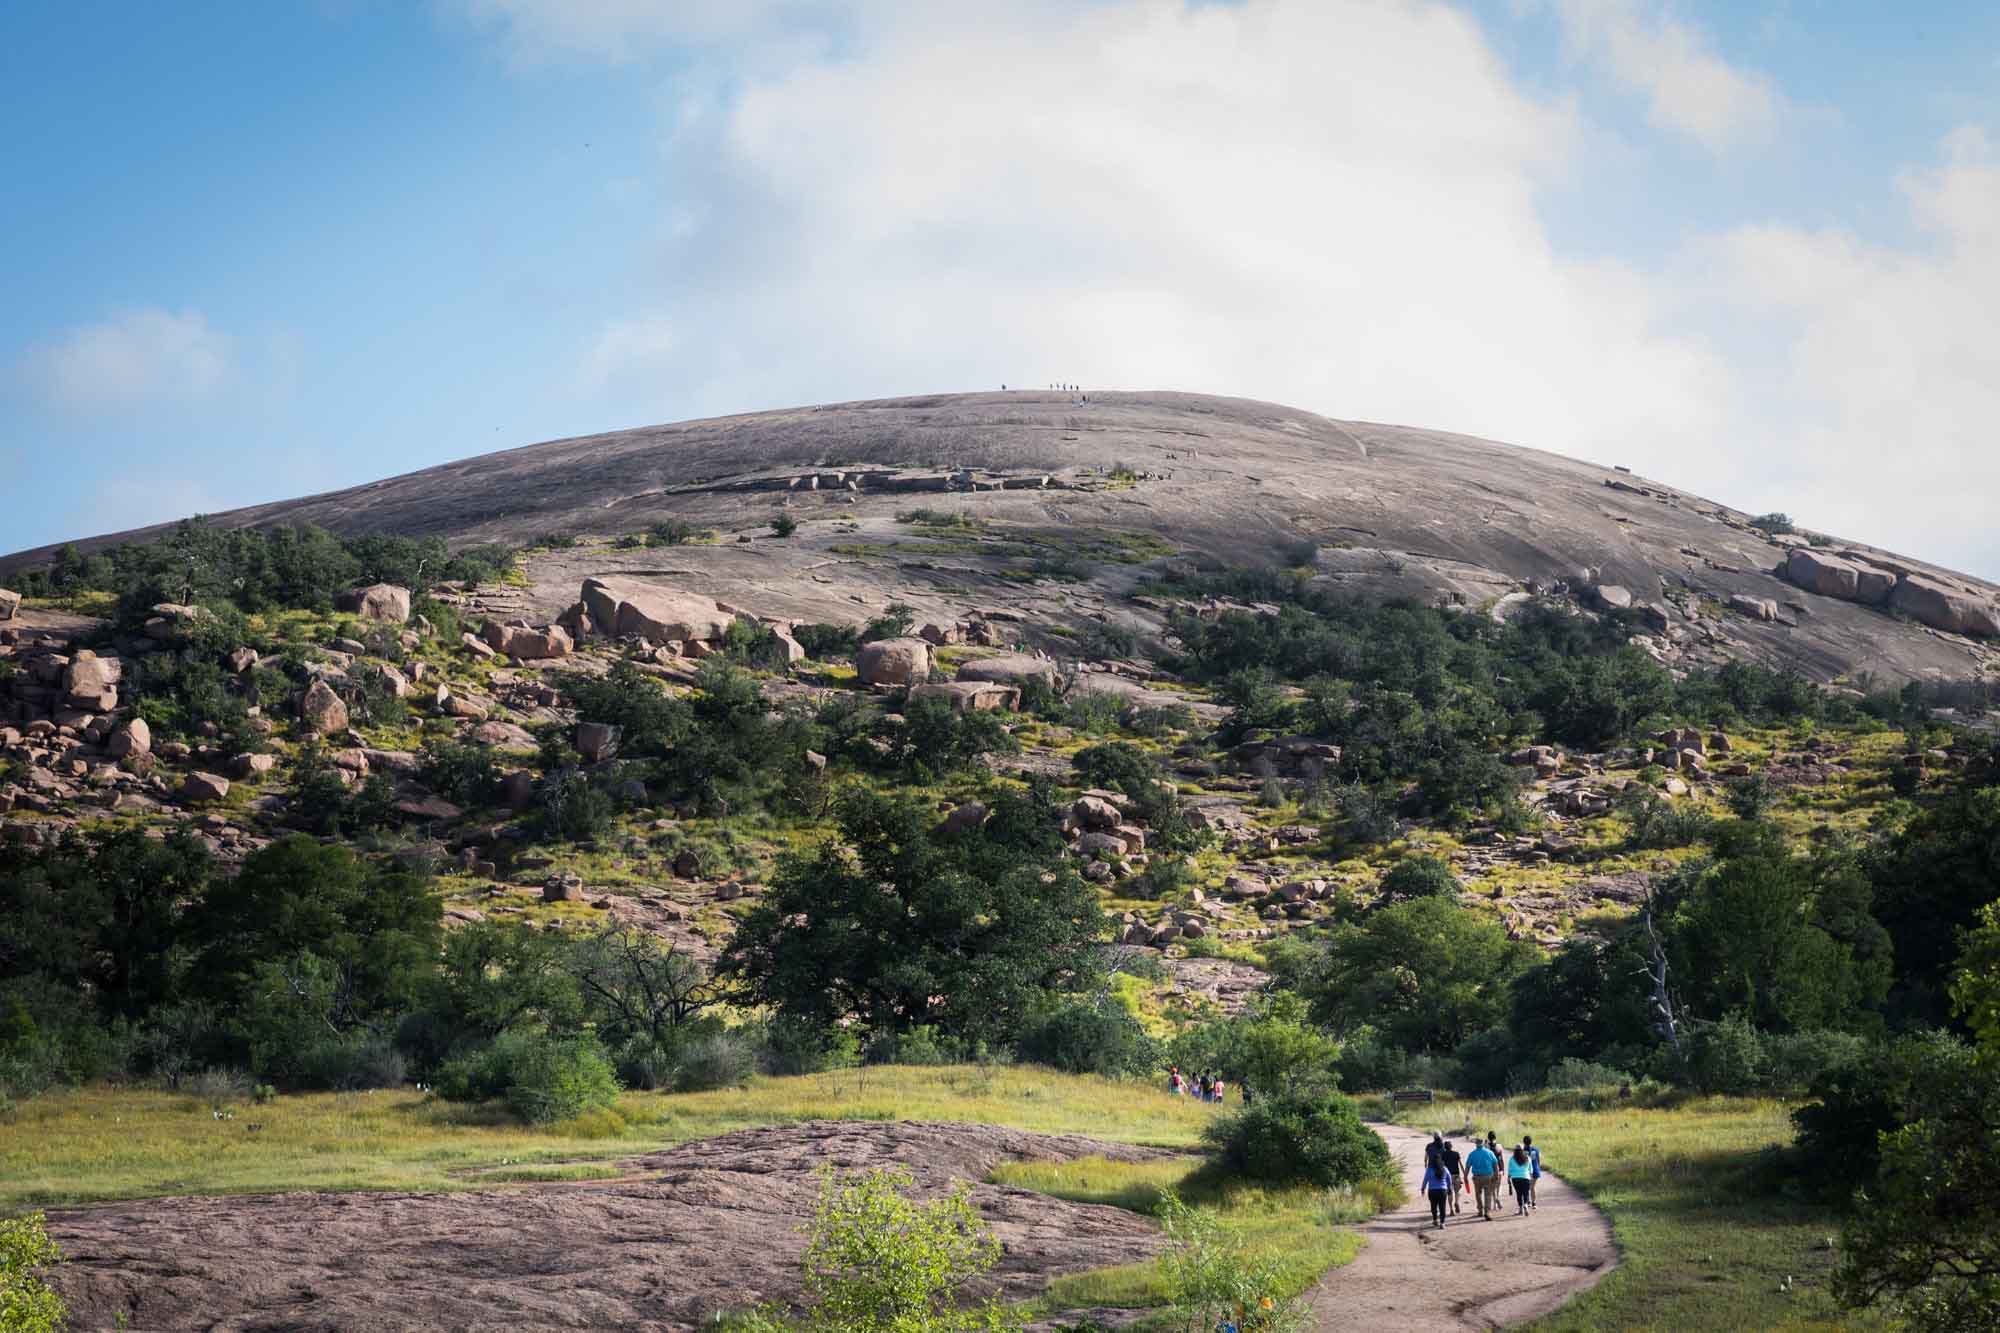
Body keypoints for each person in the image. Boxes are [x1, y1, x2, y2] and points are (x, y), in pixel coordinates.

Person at [1465, 1138, 1501, 1219]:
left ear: (1476, 1144)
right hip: (1488, 1176)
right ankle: (1487, 1212)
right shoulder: (1489, 1152)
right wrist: (1497, 1175)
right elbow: (1495, 1164)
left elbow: (1467, 1167)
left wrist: (1465, 1176)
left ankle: (1480, 1211)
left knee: (1478, 1194)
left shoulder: (1472, 1154)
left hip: (1477, 1177)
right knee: (1488, 1195)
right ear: (1483, 1143)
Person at [1421, 1154, 1453, 1230]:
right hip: (1443, 1190)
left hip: (1432, 1191)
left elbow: (1425, 1179)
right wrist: (1449, 1187)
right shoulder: (1444, 1168)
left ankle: (1435, 1220)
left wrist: (1423, 1188)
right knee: (1442, 1207)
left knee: (1433, 1206)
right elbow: (1449, 1178)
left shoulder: (1429, 1169)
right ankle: (1442, 1223)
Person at [1508, 1145, 1534, 1216]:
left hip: (1515, 1178)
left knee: (1519, 1193)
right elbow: (1531, 1170)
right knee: (1525, 1193)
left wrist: (1508, 1178)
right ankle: (1525, 1204)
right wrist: (1531, 1179)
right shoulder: (1527, 1158)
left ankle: (1520, 1209)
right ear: (1522, 1150)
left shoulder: (1512, 1159)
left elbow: (1510, 1170)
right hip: (1526, 1178)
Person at [1441, 1139, 1464, 1216]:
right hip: (1456, 1175)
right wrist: (1464, 1174)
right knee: (1457, 1191)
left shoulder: (1443, 1155)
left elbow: (1442, 1166)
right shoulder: (1456, 1154)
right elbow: (1460, 1164)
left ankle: (1451, 1210)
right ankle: (1457, 1202)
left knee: (1449, 1193)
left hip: (1447, 1177)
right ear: (1451, 1146)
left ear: (1445, 1147)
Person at [1524, 1134, 1542, 1209]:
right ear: (1531, 1142)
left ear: (1524, 1142)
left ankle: (1528, 1202)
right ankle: (1534, 1203)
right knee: (1533, 1187)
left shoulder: (1523, 1151)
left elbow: (1524, 1162)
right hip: (1535, 1170)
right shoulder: (1536, 1149)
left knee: (1527, 1187)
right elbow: (1538, 1160)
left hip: (1526, 1171)